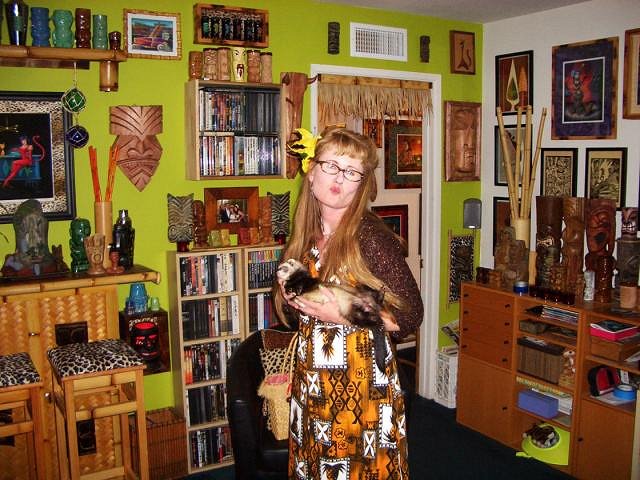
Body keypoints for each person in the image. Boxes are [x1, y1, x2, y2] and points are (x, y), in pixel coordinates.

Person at [274, 127, 423, 479]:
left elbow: (410, 314)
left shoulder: (369, 236)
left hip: (360, 386)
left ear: (361, 184)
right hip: (315, 380)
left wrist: (342, 313)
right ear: (311, 172)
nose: (340, 178)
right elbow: (303, 314)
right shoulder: (307, 235)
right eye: (332, 165)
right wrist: (294, 296)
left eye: (352, 171)